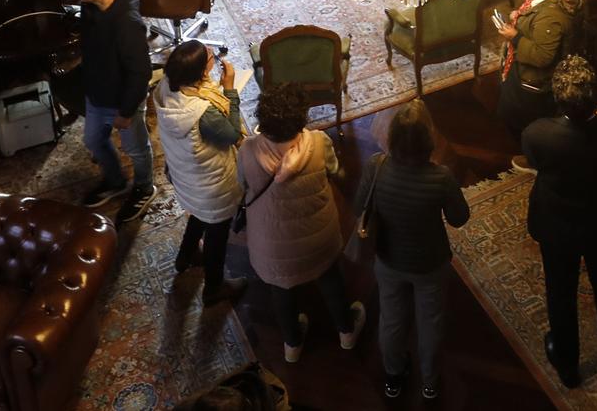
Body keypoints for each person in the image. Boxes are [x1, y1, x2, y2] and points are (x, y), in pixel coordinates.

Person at [521, 56, 597, 388]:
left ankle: (568, 364)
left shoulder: (537, 135)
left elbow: (534, 162)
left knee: (560, 293)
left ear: (558, 97)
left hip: (559, 226)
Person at [239, 82, 366, 364]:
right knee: (331, 279)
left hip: (270, 243)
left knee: (281, 290)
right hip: (318, 236)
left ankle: (292, 345)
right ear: (301, 119)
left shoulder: (247, 151)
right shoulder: (319, 143)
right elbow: (333, 171)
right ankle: (346, 332)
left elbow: (243, 186)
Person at [357, 99, 470, 401]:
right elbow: (460, 219)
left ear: (391, 138)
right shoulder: (441, 177)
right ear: (428, 141)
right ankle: (430, 383)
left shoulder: (375, 168)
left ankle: (393, 377)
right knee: (430, 321)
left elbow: (359, 208)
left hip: (388, 258)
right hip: (430, 262)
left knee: (391, 319)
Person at [155, 40, 248, 307]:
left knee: (198, 214)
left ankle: (185, 258)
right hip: (212, 188)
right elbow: (230, 134)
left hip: (187, 177)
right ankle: (214, 287)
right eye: (210, 57)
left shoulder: (167, 87)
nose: (213, 57)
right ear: (201, 74)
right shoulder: (202, 113)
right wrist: (229, 90)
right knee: (217, 235)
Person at [77, 0, 156, 221]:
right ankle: (115, 181)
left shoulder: (128, 24)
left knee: (136, 149)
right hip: (97, 93)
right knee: (93, 140)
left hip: (122, 100)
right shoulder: (90, 7)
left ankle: (145, 187)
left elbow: (141, 72)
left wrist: (126, 110)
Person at [493, 0, 584, 166]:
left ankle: (534, 160)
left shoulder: (551, 17)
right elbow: (536, 22)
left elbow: (543, 56)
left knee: (520, 121)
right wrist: (521, 16)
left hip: (533, 82)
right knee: (509, 111)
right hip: (523, 73)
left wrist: (515, 35)